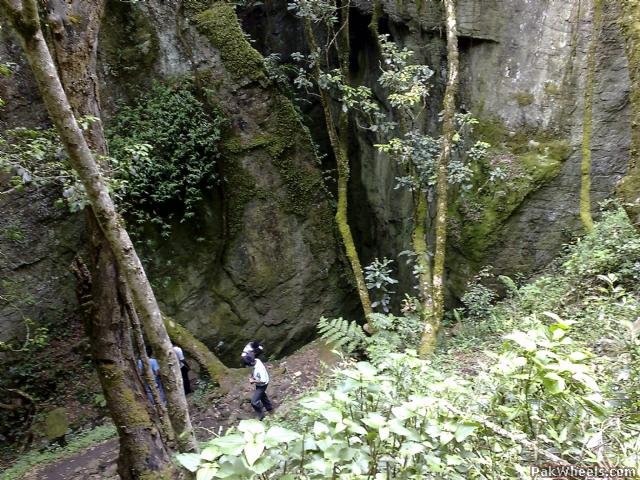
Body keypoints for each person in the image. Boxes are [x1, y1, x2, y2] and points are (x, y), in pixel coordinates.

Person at [246, 352, 273, 420]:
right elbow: (253, 369)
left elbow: (263, 380)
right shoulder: (257, 360)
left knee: (254, 402)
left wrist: (253, 381)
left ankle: (262, 417)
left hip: (263, 384)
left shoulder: (259, 368)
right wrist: (252, 376)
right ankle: (269, 408)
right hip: (260, 383)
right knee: (262, 396)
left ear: (251, 363)